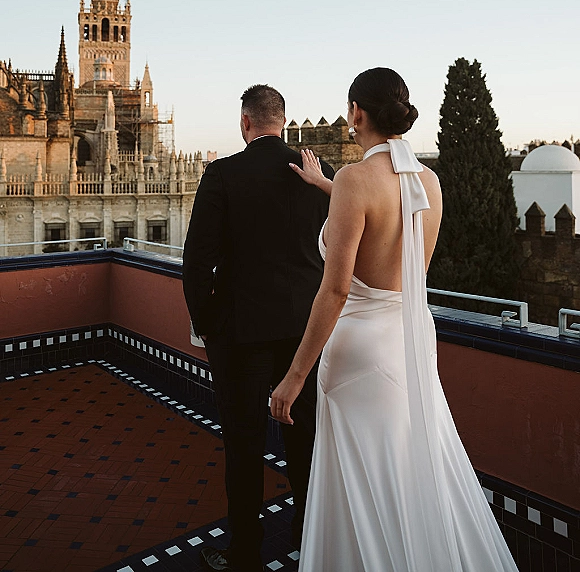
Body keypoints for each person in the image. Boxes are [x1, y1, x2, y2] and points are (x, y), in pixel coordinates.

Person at [271, 68, 518, 572]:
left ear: (356, 113)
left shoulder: (354, 181)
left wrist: (294, 376)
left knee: (358, 479)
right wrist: (326, 186)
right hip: (409, 343)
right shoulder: (428, 181)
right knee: (406, 467)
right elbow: (391, 229)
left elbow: (337, 287)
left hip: (357, 352)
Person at [182, 84, 333, 572]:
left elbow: (197, 261)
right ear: (283, 122)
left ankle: (244, 551)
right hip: (304, 335)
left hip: (239, 335)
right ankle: (307, 541)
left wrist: (207, 325)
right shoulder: (317, 175)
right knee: (306, 443)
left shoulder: (222, 174)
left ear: (246, 123)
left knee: (243, 447)